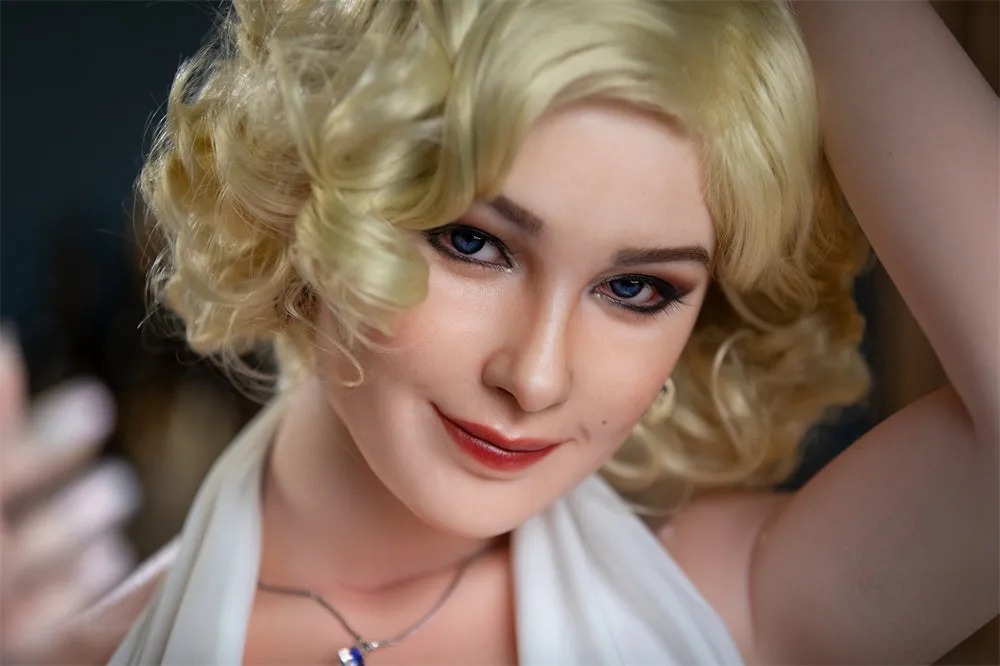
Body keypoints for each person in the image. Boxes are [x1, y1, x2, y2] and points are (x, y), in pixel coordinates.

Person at [1, 0, 996, 663]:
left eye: (636, 289)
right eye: (473, 242)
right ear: (311, 194)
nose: (536, 375)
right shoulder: (75, 653)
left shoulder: (727, 609)